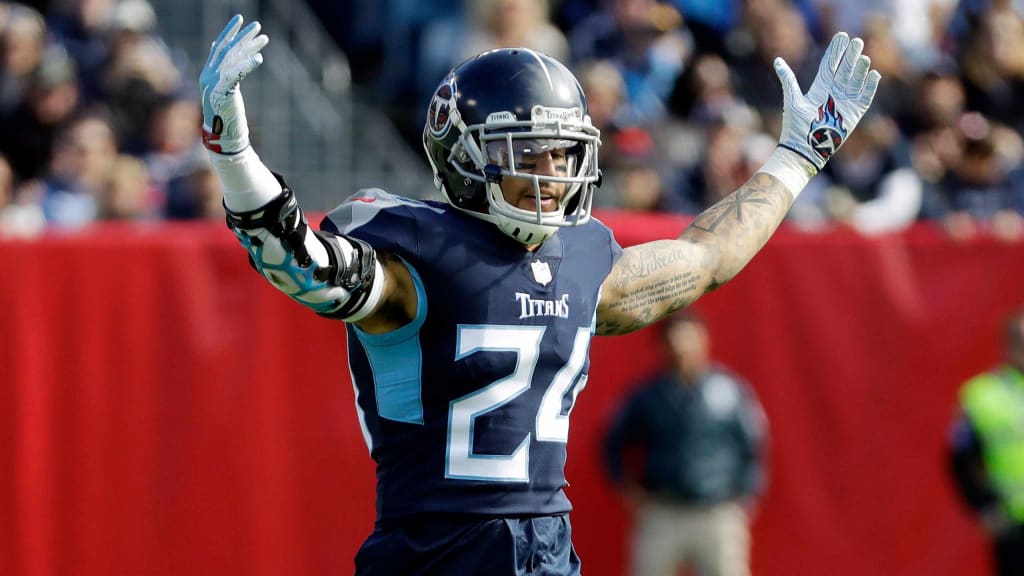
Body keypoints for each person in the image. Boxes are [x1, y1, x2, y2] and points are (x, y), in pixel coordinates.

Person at [199, 14, 879, 575]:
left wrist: (797, 156)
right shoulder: (419, 254)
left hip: (548, 549)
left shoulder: (584, 259)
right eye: (525, 153)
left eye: (562, 154)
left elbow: (706, 259)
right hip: (436, 552)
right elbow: (304, 265)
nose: (550, 175)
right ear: (462, 155)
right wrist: (234, 157)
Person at [604, 310, 767, 576]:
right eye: (675, 341)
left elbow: (752, 445)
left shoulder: (729, 391)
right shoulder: (647, 396)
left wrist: (746, 497)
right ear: (663, 346)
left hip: (717, 512)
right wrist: (628, 490)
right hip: (663, 511)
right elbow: (613, 443)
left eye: (689, 340)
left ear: (704, 341)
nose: (682, 349)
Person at [949, 309, 1024, 576]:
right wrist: (984, 508)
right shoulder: (984, 395)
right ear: (1008, 347)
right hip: (1014, 527)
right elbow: (959, 460)